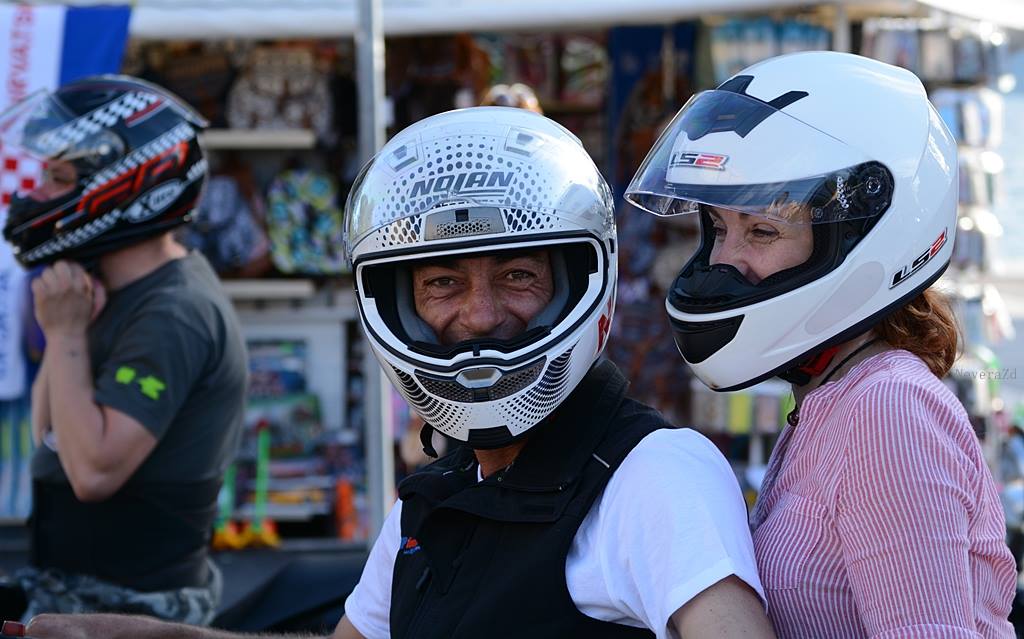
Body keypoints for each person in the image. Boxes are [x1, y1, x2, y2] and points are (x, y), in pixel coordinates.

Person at [22, 107, 773, 639]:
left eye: (517, 275)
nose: (479, 317)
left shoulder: (651, 474)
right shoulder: (444, 489)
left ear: (585, 285)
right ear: (396, 301)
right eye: (441, 284)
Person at [625, 50, 1015, 637]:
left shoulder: (886, 412)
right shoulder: (831, 398)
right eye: (721, 228)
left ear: (859, 236)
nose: (726, 261)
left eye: (761, 231)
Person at [0, 75, 248, 625]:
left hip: (132, 612)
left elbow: (92, 474)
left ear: (126, 188)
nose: (36, 194)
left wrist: (64, 335)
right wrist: (67, 328)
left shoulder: (173, 312)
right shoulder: (111, 288)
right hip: (73, 592)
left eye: (58, 178)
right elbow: (51, 439)